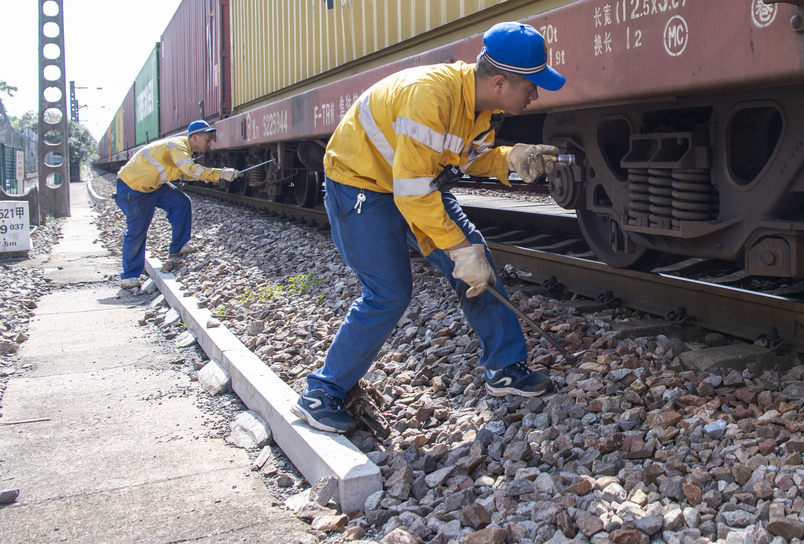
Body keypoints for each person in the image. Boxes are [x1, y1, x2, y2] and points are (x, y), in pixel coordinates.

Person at [291, 21, 566, 434]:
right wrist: (458, 249)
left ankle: (505, 369)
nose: (536, 95)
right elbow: (413, 194)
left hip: (410, 183)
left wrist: (510, 158)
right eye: (531, 86)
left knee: (477, 259)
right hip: (362, 185)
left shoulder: (478, 105)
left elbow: (462, 158)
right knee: (389, 293)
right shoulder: (430, 96)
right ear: (501, 82)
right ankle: (322, 392)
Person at [115, 120, 237, 287]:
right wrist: (221, 173)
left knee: (181, 202)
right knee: (137, 230)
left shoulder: (184, 150)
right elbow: (191, 170)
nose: (210, 143)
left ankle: (178, 247)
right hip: (134, 188)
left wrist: (212, 176)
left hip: (153, 185)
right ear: (194, 137)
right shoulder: (178, 146)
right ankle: (128, 276)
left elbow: (185, 174)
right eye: (208, 139)